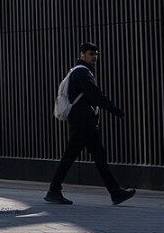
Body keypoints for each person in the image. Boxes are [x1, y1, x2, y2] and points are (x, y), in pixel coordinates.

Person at [47, 42, 135, 206]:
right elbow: (95, 95)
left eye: (96, 54)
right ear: (82, 54)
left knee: (96, 157)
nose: (94, 57)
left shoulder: (82, 71)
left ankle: (115, 192)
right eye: (90, 53)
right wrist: (115, 110)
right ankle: (53, 190)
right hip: (82, 123)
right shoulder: (82, 73)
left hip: (84, 122)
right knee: (73, 157)